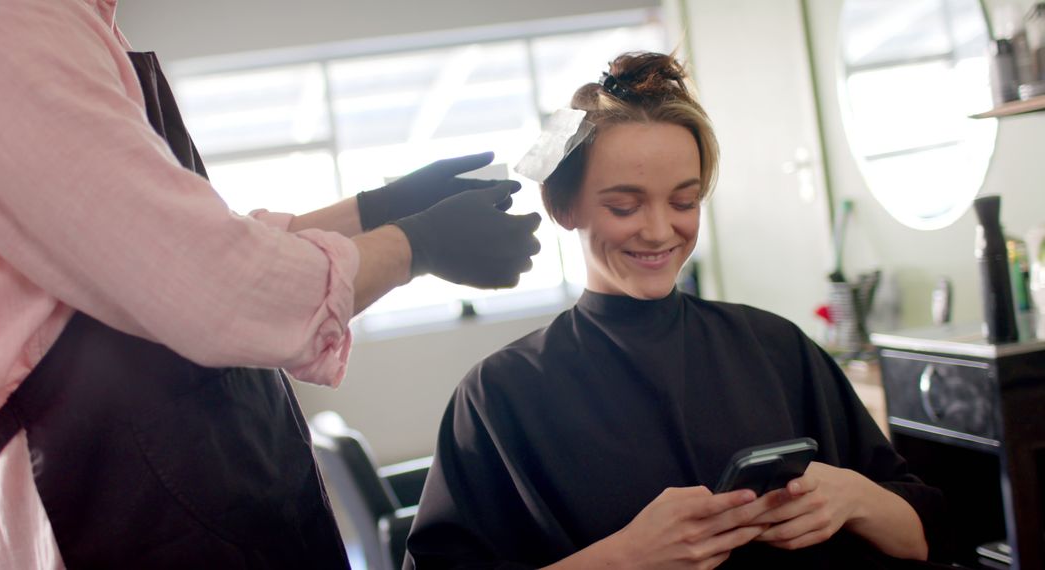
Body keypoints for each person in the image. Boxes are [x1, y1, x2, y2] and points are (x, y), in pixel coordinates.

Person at [0, 0, 541, 568]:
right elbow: (204, 279)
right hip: (112, 495)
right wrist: (417, 243)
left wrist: (376, 211)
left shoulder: (79, 23)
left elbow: (194, 243)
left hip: (203, 472)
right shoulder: (2, 20)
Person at [404, 52, 947, 569]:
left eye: (684, 202)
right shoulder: (501, 394)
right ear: (563, 206)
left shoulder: (776, 347)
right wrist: (621, 561)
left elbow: (930, 533)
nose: (661, 230)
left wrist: (856, 498)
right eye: (624, 205)